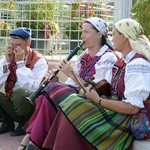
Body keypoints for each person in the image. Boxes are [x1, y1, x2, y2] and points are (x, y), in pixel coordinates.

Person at [41, 18, 150, 150]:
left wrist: (98, 100)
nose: (112, 38)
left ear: (125, 37)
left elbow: (132, 108)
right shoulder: (123, 61)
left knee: (76, 105)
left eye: (115, 34)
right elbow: (107, 90)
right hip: (117, 108)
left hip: (126, 118)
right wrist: (89, 91)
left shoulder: (138, 64)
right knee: (74, 100)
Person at [17, 17, 119, 150]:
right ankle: (33, 141)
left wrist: (71, 74)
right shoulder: (84, 55)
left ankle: (30, 141)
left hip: (93, 101)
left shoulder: (108, 57)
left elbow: (97, 90)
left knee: (52, 90)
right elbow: (71, 84)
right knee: (46, 93)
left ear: (99, 34)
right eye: (82, 32)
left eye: (86, 32)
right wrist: (56, 81)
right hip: (78, 96)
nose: (82, 36)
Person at [0, 27, 48, 136]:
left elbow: (33, 89)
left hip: (30, 107)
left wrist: (20, 63)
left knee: (20, 92)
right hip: (12, 103)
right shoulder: (7, 58)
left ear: (28, 42)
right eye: (12, 45)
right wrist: (6, 63)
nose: (14, 48)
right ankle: (7, 122)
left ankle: (24, 125)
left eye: (18, 45)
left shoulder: (39, 61)